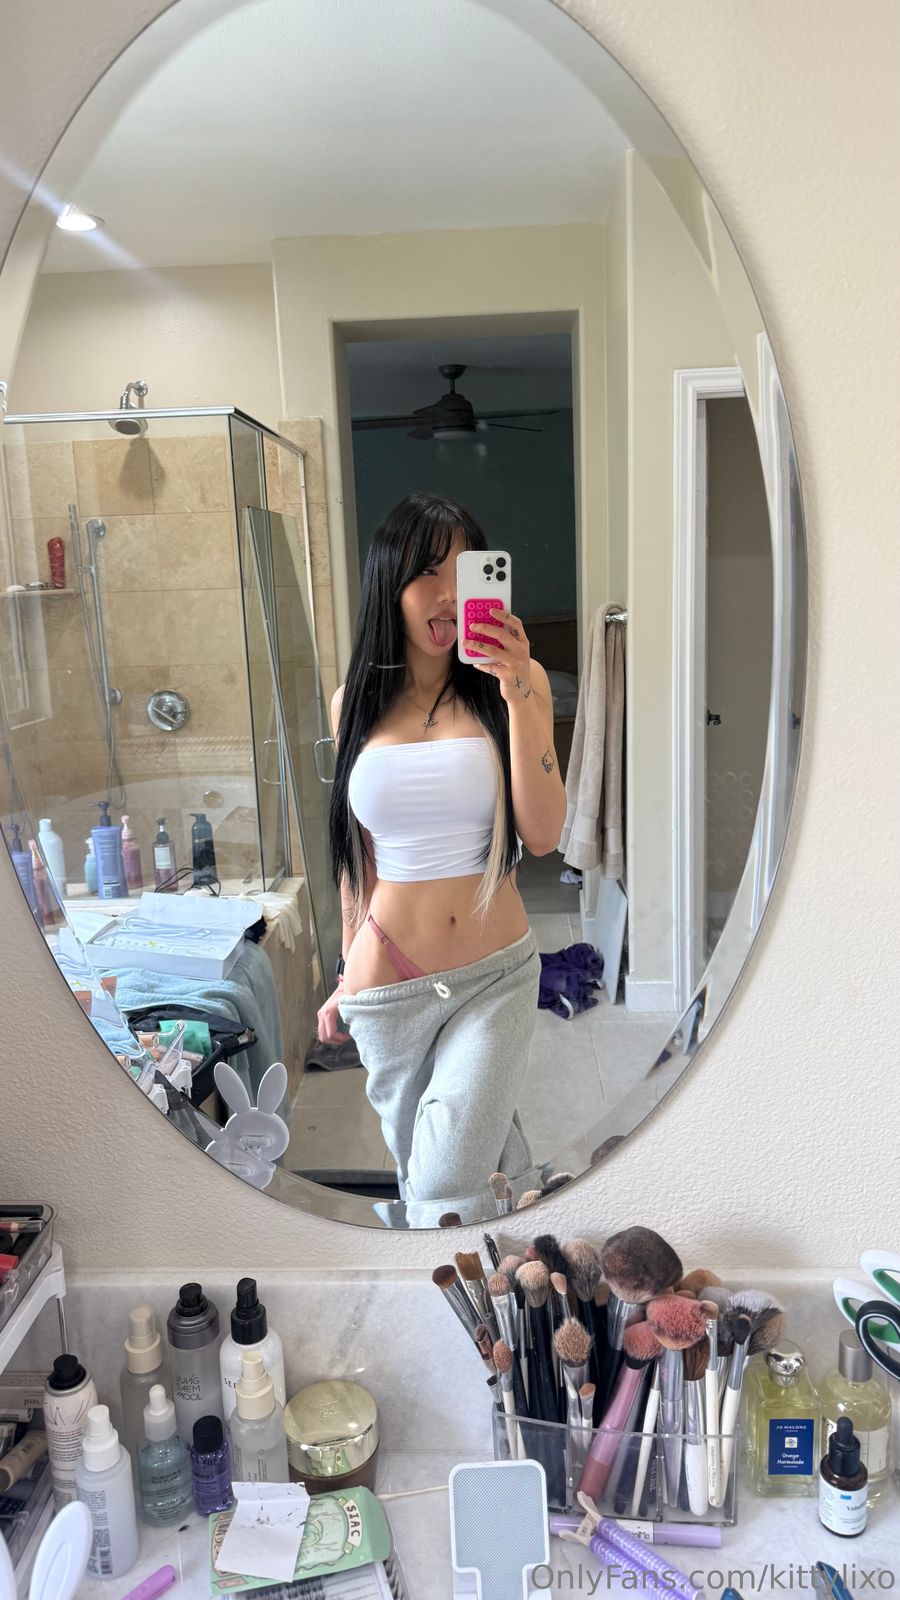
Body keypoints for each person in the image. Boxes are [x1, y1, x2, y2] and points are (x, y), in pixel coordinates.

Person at [317, 492, 566, 1211]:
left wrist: (517, 692)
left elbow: (543, 834)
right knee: (465, 1181)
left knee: (441, 1185)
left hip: (494, 978)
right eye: (429, 572)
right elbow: (358, 858)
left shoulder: (516, 686)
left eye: (466, 572)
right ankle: (520, 1271)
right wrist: (345, 972)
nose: (450, 594)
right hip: (386, 988)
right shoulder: (351, 704)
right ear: (389, 583)